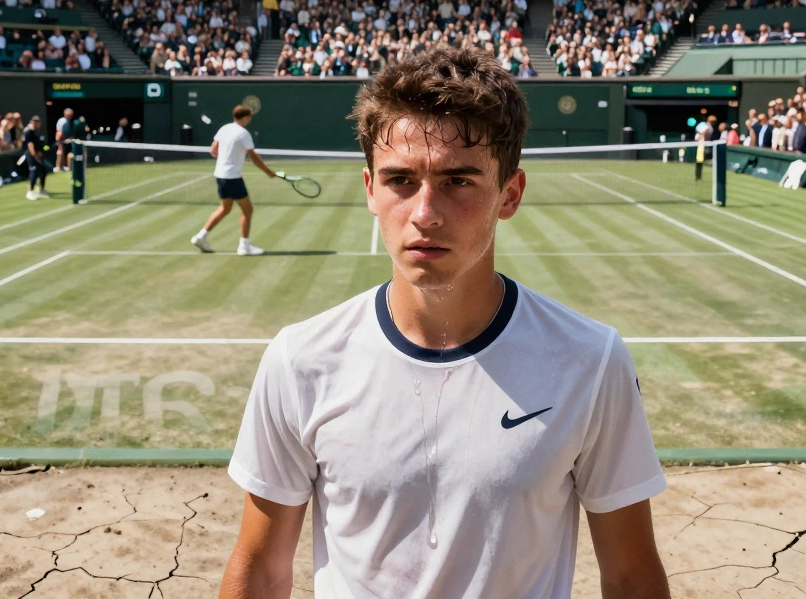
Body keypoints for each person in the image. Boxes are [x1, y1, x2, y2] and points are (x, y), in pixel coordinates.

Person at [219, 47, 669, 598]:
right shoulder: (300, 360)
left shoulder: (591, 360)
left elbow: (628, 574)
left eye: (458, 181)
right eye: (401, 180)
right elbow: (261, 569)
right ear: (370, 191)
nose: (425, 212)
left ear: (510, 194)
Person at [191, 104, 279, 256]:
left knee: (225, 208)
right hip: (232, 177)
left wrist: (228, 155)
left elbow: (213, 151)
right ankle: (244, 246)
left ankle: (201, 236)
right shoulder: (243, 134)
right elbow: (254, 157)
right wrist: (268, 171)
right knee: (247, 210)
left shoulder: (224, 129)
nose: (250, 120)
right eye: (250, 117)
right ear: (244, 117)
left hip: (220, 175)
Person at [23, 116, 49, 200]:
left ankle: (41, 189)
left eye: (38, 122)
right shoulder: (29, 132)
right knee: (33, 171)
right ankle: (30, 191)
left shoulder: (37, 131)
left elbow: (38, 144)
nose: (37, 124)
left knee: (44, 170)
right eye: (35, 122)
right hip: (31, 155)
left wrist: (40, 152)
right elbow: (30, 145)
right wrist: (35, 155)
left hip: (38, 154)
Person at [54, 107, 73, 171]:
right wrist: (60, 140)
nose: (71, 115)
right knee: (60, 152)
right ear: (65, 113)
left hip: (65, 140)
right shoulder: (63, 121)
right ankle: (58, 167)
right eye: (69, 114)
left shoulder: (67, 121)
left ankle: (63, 167)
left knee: (64, 153)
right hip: (61, 140)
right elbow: (59, 132)